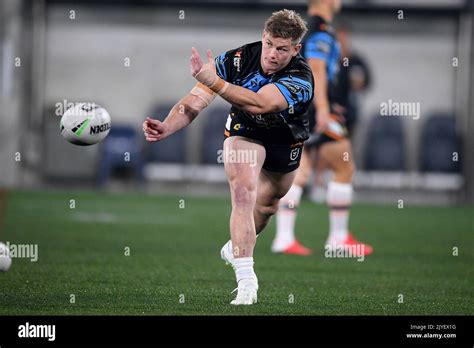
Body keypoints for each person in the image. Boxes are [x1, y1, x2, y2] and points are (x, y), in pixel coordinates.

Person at [143, 9, 314, 305]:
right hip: (244, 131)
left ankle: (235, 245)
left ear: (296, 49)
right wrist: (167, 126)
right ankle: (247, 281)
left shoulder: (301, 77)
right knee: (243, 192)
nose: (273, 54)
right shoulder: (237, 59)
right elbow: (194, 102)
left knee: (268, 205)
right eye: (270, 44)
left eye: (282, 49)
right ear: (263, 36)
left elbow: (261, 103)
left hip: (285, 141)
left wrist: (215, 83)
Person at [272, 0, 373, 256]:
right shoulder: (321, 30)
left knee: (300, 173)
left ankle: (284, 238)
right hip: (315, 111)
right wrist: (324, 109)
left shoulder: (308, 29)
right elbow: (315, 70)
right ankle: (338, 239)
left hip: (300, 110)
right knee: (344, 165)